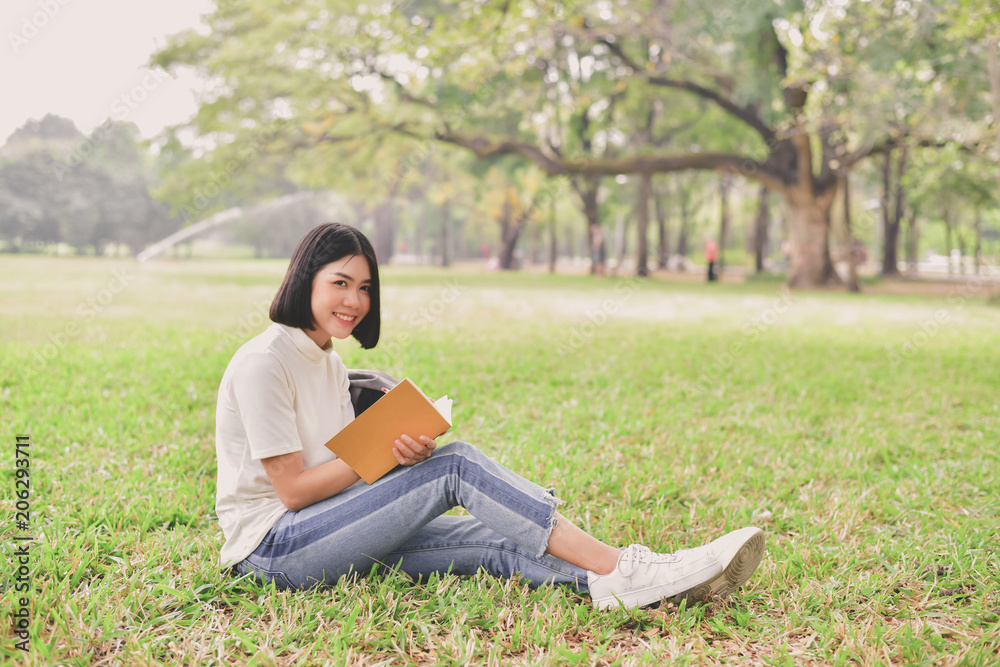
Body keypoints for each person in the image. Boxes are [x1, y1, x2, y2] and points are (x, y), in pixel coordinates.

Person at [215, 222, 764, 609]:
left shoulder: (330, 363)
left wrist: (396, 456)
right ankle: (625, 563)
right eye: (340, 283)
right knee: (455, 467)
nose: (354, 301)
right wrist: (377, 458)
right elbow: (292, 491)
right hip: (274, 549)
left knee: (498, 538)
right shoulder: (265, 361)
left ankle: (628, 586)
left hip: (327, 530)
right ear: (305, 277)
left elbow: (343, 469)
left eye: (364, 288)